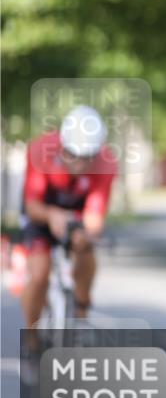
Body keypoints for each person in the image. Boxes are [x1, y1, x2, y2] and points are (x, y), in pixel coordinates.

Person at [20, 105, 117, 341]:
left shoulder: (106, 164)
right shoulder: (40, 150)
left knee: (85, 247)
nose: (79, 165)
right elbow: (32, 205)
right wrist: (52, 215)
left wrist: (86, 231)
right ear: (62, 146)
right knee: (39, 275)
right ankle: (32, 337)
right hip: (42, 210)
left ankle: (81, 310)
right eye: (72, 155)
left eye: (86, 158)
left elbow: (95, 213)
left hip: (77, 214)